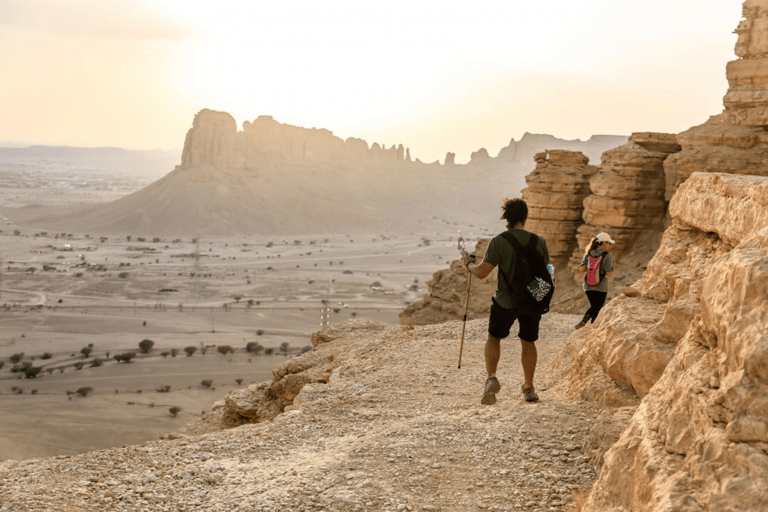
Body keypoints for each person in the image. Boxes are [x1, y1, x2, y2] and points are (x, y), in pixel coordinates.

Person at [463, 198, 550, 405]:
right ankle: (528, 388)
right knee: (528, 341)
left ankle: (492, 377)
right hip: (531, 300)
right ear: (525, 216)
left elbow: (482, 273)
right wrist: (536, 299)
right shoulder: (540, 241)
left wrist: (469, 265)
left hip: (505, 301)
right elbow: (545, 272)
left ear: (506, 219)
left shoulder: (499, 241)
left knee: (494, 337)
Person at [575, 232, 615, 329]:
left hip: (587, 285)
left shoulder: (588, 254)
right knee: (597, 308)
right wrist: (613, 265)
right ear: (604, 243)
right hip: (601, 285)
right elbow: (609, 273)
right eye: (609, 243)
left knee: (594, 306)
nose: (610, 245)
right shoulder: (608, 255)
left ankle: (585, 322)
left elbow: (581, 269)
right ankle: (591, 326)